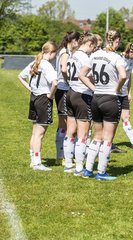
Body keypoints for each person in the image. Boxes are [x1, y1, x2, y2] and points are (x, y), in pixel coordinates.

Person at [82, 30, 127, 180]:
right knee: (107, 138)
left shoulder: (94, 55)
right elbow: (123, 76)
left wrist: (94, 88)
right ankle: (101, 172)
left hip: (96, 98)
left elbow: (82, 75)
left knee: (97, 136)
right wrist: (118, 89)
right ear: (116, 41)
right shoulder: (116, 57)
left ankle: (88, 170)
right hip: (110, 99)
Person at [18, 41, 58, 171]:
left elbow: (20, 76)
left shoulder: (35, 62)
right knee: (40, 133)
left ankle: (33, 160)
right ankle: (37, 162)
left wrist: (31, 88)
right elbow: (55, 83)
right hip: (43, 99)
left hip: (34, 98)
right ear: (51, 53)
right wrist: (51, 96)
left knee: (35, 132)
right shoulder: (47, 65)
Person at [63, 32, 97, 175]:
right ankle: (79, 168)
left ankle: (69, 164)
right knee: (82, 135)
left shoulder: (73, 54)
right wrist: (95, 87)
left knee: (70, 131)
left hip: (70, 93)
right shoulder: (85, 57)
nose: (93, 50)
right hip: (82, 95)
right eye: (93, 47)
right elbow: (86, 76)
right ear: (89, 44)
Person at [55, 31, 80, 165]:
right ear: (73, 40)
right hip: (63, 89)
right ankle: (61, 156)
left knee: (67, 124)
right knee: (64, 124)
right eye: (77, 40)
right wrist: (69, 81)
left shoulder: (67, 51)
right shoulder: (64, 52)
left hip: (65, 89)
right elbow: (64, 69)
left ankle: (64, 155)